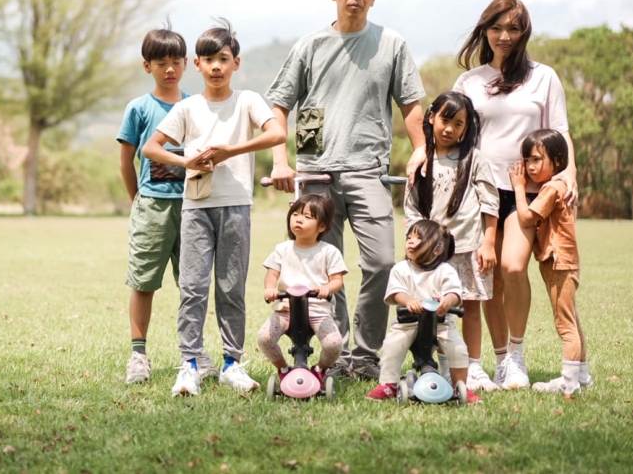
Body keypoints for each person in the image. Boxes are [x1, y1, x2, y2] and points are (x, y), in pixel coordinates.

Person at [266, 0, 427, 380]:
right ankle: (334, 356)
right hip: (316, 171)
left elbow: (412, 104)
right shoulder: (309, 46)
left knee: (380, 262)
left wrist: (420, 149)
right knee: (321, 266)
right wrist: (281, 159)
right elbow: (279, 105)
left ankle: (366, 353)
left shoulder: (391, 43)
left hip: (368, 169)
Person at [143, 21, 287, 397]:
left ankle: (231, 364)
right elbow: (152, 148)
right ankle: (189, 365)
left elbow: (277, 133)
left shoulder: (248, 101)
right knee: (192, 288)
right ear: (197, 64)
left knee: (231, 288)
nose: (216, 67)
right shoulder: (189, 107)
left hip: (236, 206)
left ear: (236, 63)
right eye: (208, 60)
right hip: (196, 208)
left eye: (223, 59)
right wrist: (188, 161)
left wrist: (231, 151)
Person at [452, 0, 578, 390]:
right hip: (480, 190)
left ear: (524, 31)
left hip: (527, 189)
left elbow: (561, 132)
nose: (504, 36)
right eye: (496, 27)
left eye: (513, 28)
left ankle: (517, 357)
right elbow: (454, 134)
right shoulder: (470, 81)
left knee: (512, 268)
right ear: (484, 30)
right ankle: (499, 359)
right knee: (489, 277)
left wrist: (569, 175)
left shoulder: (544, 76)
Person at [118, 24, 220, 384]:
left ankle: (195, 354)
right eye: (161, 62)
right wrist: (138, 201)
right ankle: (138, 355)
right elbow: (126, 162)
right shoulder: (138, 109)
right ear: (148, 66)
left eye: (176, 61)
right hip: (152, 207)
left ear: (186, 64)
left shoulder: (197, 107)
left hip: (194, 206)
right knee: (144, 280)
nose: (170, 69)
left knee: (192, 284)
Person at [404, 91, 500, 392]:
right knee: (431, 310)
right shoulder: (422, 161)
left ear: (466, 129)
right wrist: (418, 245)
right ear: (431, 117)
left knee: (470, 307)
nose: (450, 128)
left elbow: (490, 203)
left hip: (469, 248)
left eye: (459, 124)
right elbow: (411, 208)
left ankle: (473, 367)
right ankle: (439, 366)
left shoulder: (474, 160)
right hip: (430, 256)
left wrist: (488, 243)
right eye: (445, 119)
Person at [509, 129, 591, 396]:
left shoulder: (552, 188)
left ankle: (569, 382)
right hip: (563, 261)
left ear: (557, 161)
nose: (530, 167)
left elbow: (526, 218)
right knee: (572, 320)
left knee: (565, 325)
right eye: (527, 160)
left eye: (536, 160)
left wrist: (519, 188)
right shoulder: (560, 186)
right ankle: (582, 376)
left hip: (558, 261)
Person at [365, 220, 481, 403]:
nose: (410, 241)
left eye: (418, 238)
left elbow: (455, 293)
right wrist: (409, 301)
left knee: (458, 348)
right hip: (407, 323)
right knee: (392, 344)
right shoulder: (401, 268)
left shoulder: (445, 271)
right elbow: (396, 293)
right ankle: (389, 383)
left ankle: (460, 386)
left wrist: (446, 301)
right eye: (409, 237)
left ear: (437, 249)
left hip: (440, 324)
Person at [257, 194, 348, 380]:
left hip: (317, 309)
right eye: (296, 214)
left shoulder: (329, 252)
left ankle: (320, 370)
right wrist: (270, 288)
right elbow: (271, 275)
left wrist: (327, 289)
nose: (299, 219)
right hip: (286, 309)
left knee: (333, 344)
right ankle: (283, 369)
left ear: (321, 226)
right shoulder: (282, 249)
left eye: (308, 217)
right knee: (264, 338)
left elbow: (337, 280)